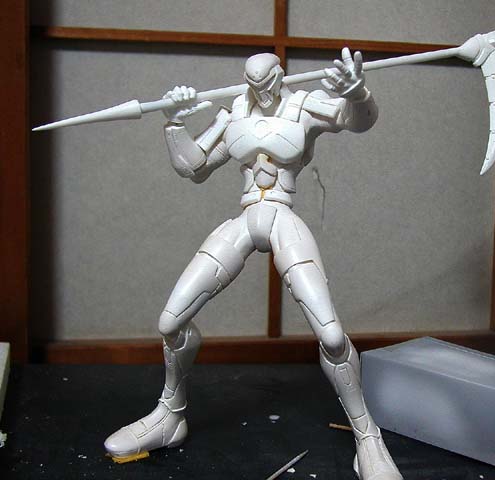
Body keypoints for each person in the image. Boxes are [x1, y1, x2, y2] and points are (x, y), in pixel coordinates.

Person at [104, 48, 402, 480]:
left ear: (279, 77)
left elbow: (357, 120)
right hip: (246, 219)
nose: (261, 93)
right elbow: (193, 166)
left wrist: (358, 93)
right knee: (170, 323)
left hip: (282, 216)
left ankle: (367, 436)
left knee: (332, 337)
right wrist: (174, 123)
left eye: (267, 84)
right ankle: (169, 414)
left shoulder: (304, 105)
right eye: (253, 84)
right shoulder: (234, 112)